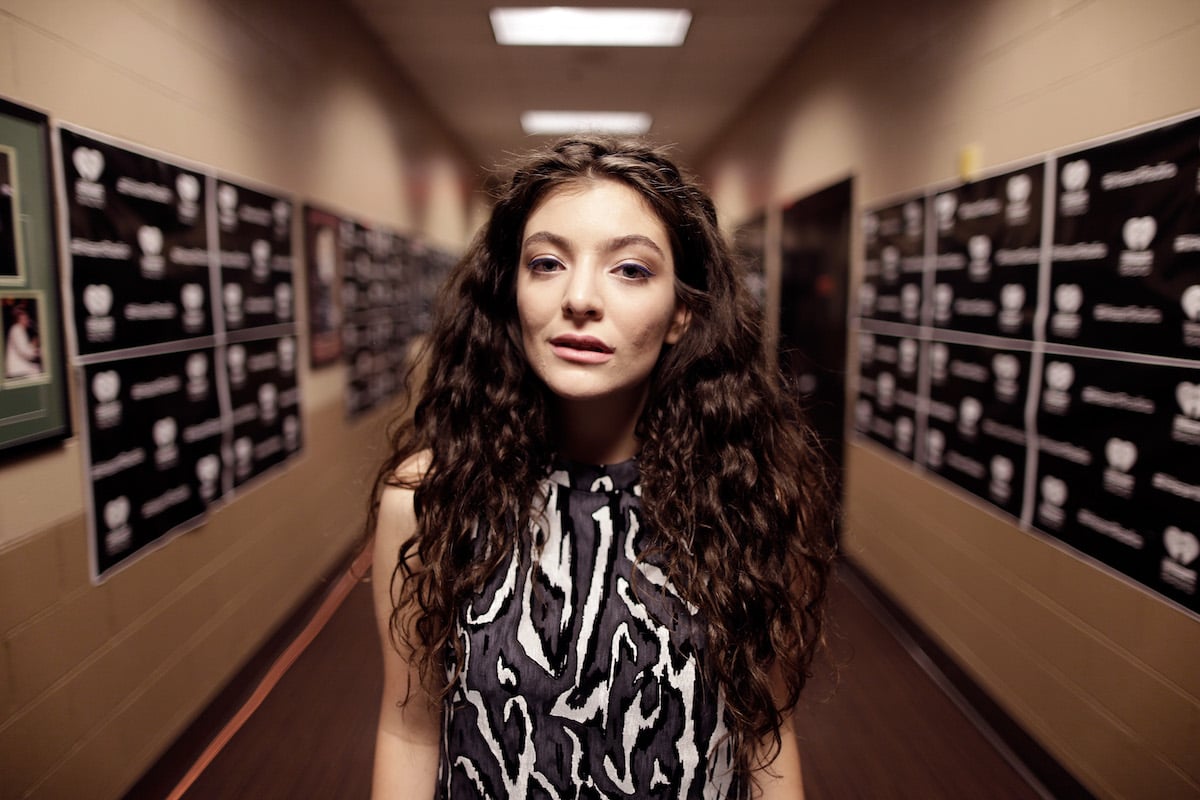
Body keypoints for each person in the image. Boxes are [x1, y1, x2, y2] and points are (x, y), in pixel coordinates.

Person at [368, 136, 837, 799]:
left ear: (682, 312)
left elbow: (764, 736)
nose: (580, 297)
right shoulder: (429, 499)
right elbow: (409, 731)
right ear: (512, 293)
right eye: (547, 263)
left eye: (631, 270)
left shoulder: (749, 500)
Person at [4, 301, 42, 379]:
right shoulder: (17, 329)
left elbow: (24, 349)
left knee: (37, 369)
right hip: (17, 370)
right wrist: (36, 350)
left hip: (20, 367)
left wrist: (33, 345)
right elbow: (26, 352)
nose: (28, 320)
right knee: (38, 372)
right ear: (20, 318)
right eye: (26, 318)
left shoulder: (18, 330)